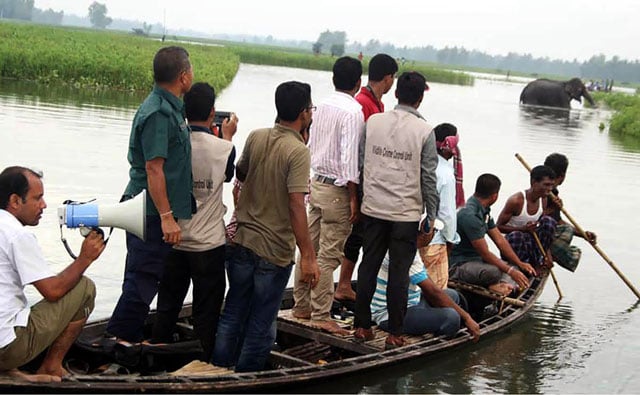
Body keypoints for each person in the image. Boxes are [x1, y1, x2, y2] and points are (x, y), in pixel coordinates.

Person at [212, 81, 320, 373]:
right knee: (260, 323)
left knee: (233, 312)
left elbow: (242, 172)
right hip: (273, 252)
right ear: (303, 114)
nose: (311, 113)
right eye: (310, 109)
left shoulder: (257, 136)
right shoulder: (298, 151)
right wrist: (308, 257)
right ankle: (246, 380)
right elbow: (297, 205)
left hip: (242, 242)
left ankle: (219, 371)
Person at [107, 46, 195, 343]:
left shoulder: (169, 107)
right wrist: (167, 218)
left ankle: (122, 337)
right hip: (149, 211)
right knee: (143, 279)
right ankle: (121, 343)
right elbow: (154, 169)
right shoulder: (158, 112)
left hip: (150, 209)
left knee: (141, 277)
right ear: (183, 77)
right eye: (191, 70)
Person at [150, 82, 238, 361]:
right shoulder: (224, 149)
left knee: (167, 305)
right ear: (213, 112)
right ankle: (200, 360)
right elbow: (226, 176)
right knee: (207, 310)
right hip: (208, 245)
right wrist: (227, 137)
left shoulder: (174, 143)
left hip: (173, 239)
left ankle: (157, 354)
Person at [353, 71, 439, 349]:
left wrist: (362, 199)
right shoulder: (425, 131)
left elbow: (362, 166)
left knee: (368, 265)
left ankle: (362, 326)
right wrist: (432, 216)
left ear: (396, 93)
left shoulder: (373, 122)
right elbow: (428, 177)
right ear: (420, 98)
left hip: (374, 208)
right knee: (399, 274)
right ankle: (395, 334)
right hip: (404, 214)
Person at [0, 166, 105, 382]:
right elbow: (53, 291)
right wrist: (85, 258)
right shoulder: (17, 235)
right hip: (7, 348)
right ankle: (51, 366)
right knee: (84, 287)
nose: (43, 205)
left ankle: (10, 372)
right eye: (37, 198)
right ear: (15, 201)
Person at [292, 56, 364, 335]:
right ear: (358, 83)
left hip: (316, 184)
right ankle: (321, 313)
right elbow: (349, 163)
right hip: (336, 190)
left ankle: (302, 305)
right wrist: (354, 199)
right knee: (329, 256)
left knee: (308, 248)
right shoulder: (353, 112)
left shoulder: (319, 107)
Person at [335, 53, 398, 302]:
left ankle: (345, 283)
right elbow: (357, 150)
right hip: (360, 180)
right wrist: (355, 192)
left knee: (362, 235)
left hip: (369, 181)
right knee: (357, 234)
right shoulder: (364, 104)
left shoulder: (376, 104)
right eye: (392, 77)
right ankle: (342, 285)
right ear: (387, 78)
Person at [449, 174, 537, 297]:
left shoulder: (484, 210)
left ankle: (501, 285)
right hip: (459, 264)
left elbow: (500, 240)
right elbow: (485, 253)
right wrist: (510, 271)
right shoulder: (470, 215)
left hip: (476, 260)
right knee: (495, 272)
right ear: (495, 196)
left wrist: (519, 263)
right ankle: (495, 285)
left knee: (513, 267)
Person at [371, 243, 480, 342]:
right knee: (451, 317)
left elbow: (431, 287)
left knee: (453, 295)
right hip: (390, 315)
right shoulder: (403, 252)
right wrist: (467, 318)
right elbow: (432, 291)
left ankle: (444, 327)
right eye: (434, 230)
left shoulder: (411, 248)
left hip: (411, 302)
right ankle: (438, 343)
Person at [418, 123, 463, 289]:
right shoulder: (446, 174)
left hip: (412, 234)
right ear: (448, 147)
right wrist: (451, 239)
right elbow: (447, 214)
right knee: (435, 289)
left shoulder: (421, 163)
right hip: (434, 239)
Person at [543, 153, 597, 272]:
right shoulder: (544, 192)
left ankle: (551, 253)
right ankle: (547, 254)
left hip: (545, 234)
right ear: (562, 175)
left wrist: (583, 234)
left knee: (568, 229)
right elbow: (537, 218)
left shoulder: (553, 193)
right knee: (568, 232)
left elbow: (557, 220)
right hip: (537, 236)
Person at [497, 165, 557, 268]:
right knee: (518, 236)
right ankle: (522, 267)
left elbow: (542, 230)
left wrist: (548, 256)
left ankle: (538, 262)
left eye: (551, 185)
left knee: (549, 222)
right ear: (534, 182)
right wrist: (523, 229)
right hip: (514, 245)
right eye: (546, 185)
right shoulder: (516, 201)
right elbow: (498, 227)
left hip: (531, 243)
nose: (549, 189)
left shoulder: (543, 199)